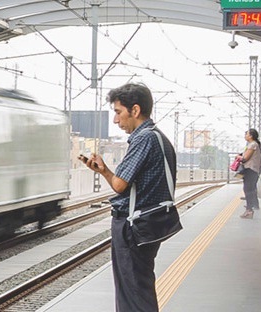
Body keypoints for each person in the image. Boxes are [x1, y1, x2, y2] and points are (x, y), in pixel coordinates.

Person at [79, 83, 176, 312]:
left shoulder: (144, 139)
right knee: (139, 288)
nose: (115, 120)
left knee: (132, 293)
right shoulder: (159, 138)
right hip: (148, 222)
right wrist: (103, 170)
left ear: (134, 110)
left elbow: (119, 184)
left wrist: (105, 172)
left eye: (118, 112)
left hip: (134, 226)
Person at [239, 128, 261, 218]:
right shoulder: (253, 144)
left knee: (248, 190)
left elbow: (245, 158)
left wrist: (238, 157)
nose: (245, 136)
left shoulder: (253, 145)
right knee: (250, 190)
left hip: (250, 170)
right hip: (252, 170)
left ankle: (249, 211)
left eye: (247, 134)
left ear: (251, 136)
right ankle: (250, 208)